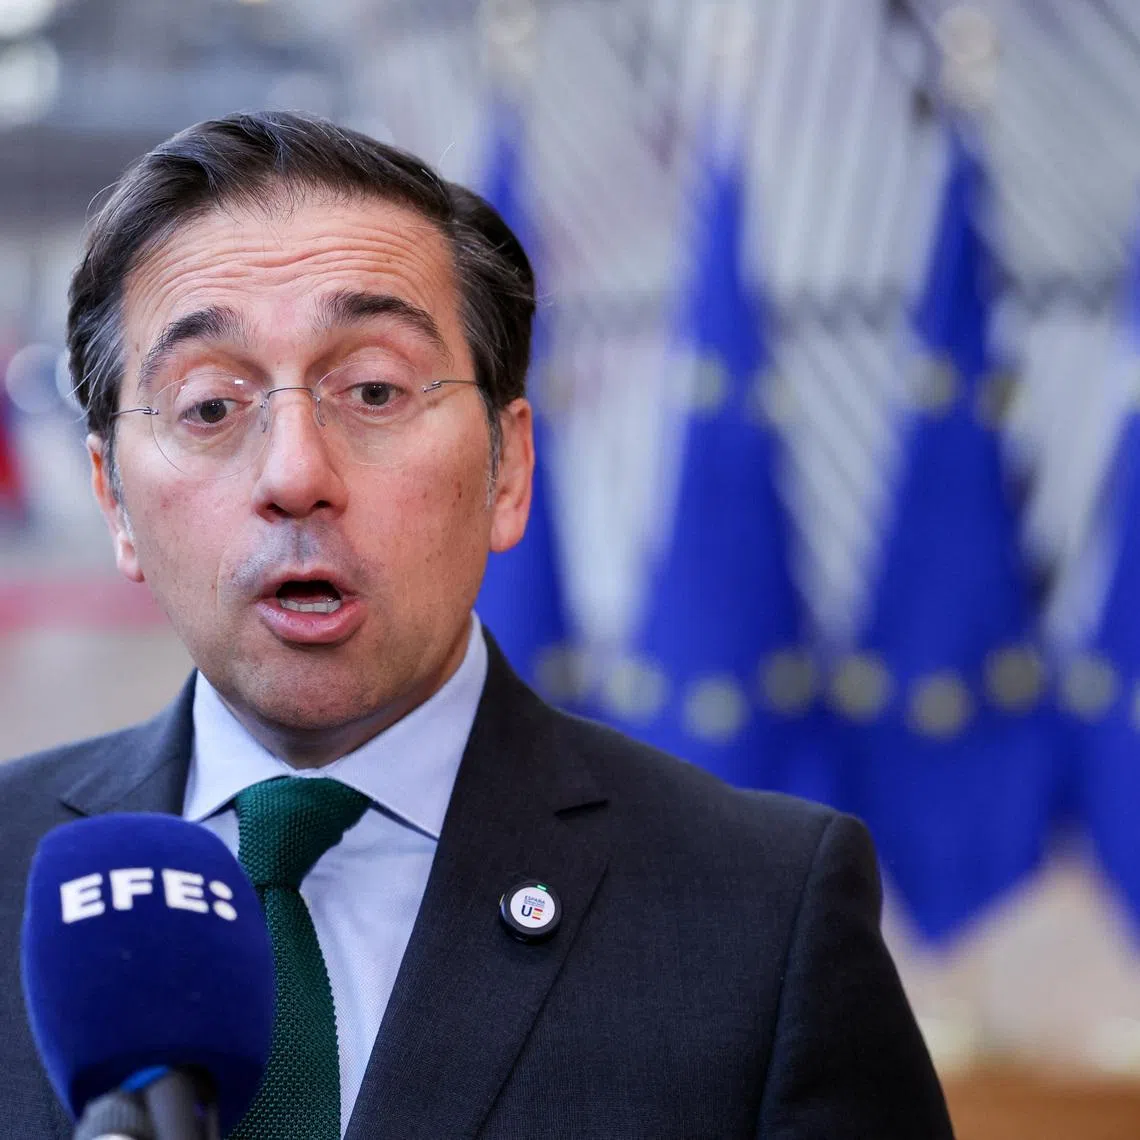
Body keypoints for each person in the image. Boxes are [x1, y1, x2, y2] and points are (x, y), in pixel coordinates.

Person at [0, 111, 953, 1139]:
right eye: (210, 406)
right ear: (113, 501)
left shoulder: (763, 919)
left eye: (373, 389)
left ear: (509, 470)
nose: (294, 474)